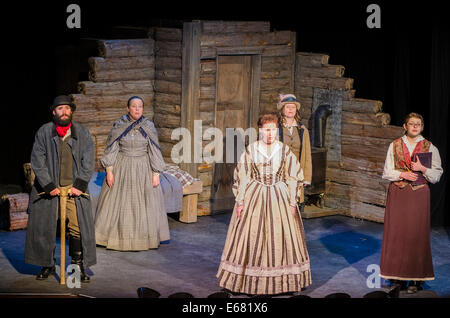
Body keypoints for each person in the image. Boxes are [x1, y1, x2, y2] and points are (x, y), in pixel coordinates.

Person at [217, 113, 312, 295]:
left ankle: (284, 282)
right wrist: (241, 201)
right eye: (267, 130)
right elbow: (243, 177)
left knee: (281, 238)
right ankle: (248, 281)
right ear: (260, 131)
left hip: (280, 198)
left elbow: (293, 176)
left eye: (274, 130)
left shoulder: (284, 150)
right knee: (251, 237)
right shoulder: (251, 150)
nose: (270, 134)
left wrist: (293, 202)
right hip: (255, 197)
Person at [25, 95, 96, 282]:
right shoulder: (44, 132)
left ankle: (77, 265)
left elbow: (88, 160)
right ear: (53, 112)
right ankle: (47, 264)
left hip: (74, 190)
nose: (64, 112)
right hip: (49, 189)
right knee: (44, 226)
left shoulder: (82, 132)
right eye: (60, 109)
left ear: (71, 111)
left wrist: (80, 185)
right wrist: (48, 185)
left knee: (77, 227)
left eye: (67, 108)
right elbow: (37, 160)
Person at [94, 96, 170, 251]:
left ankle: (143, 240)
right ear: (128, 108)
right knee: (119, 204)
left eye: (140, 106)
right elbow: (112, 148)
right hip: (122, 166)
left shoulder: (148, 126)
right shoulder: (120, 125)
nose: (137, 109)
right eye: (134, 106)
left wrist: (156, 173)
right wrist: (109, 171)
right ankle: (115, 238)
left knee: (145, 204)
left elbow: (154, 150)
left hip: (143, 166)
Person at [380, 112, 443, 294]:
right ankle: (397, 277)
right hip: (399, 193)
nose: (414, 126)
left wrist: (422, 168)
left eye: (418, 124)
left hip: (419, 194)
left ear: (422, 127)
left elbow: (437, 175)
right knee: (397, 235)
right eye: (411, 123)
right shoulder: (395, 145)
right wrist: (402, 174)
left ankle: (416, 279)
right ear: (405, 126)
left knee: (416, 235)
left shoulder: (430, 147)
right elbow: (386, 171)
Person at [277, 94, 312, 211]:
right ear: (282, 109)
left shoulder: (302, 130)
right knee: (280, 204)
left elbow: (307, 156)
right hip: (280, 173)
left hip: (296, 174)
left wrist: (306, 177)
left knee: (294, 206)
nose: (290, 109)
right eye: (287, 107)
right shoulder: (276, 128)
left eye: (293, 107)